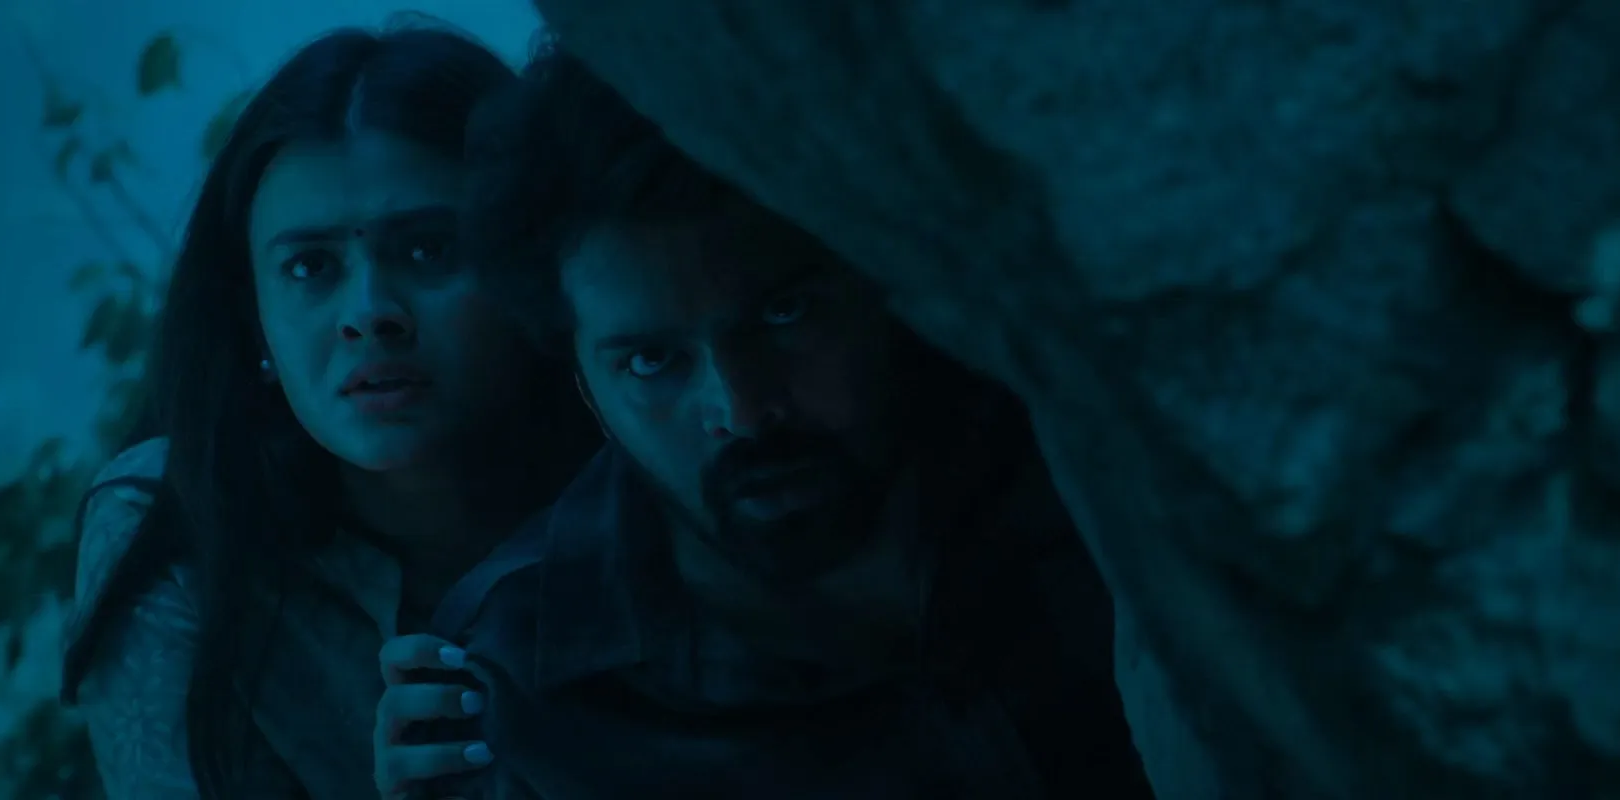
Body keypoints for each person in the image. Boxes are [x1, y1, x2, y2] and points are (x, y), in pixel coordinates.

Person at [383, 37, 1157, 799]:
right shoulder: (519, 686)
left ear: (871, 276)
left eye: (786, 316)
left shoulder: (1080, 459)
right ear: (583, 378)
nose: (744, 411)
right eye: (652, 361)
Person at [58, 24, 601, 800]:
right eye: (311, 266)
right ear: (253, 318)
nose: (369, 312)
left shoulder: (651, 476)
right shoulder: (178, 525)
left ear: (530, 269)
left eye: (428, 249)